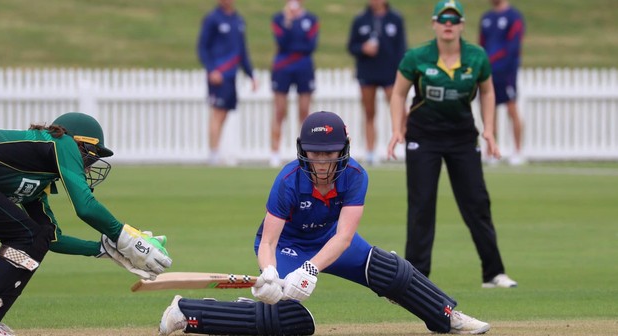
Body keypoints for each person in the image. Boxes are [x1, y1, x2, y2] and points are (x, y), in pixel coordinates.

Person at [158, 111, 491, 336]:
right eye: (315, 153)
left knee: (388, 269)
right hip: (286, 246)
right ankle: (187, 312)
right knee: (288, 319)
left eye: (329, 153)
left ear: (343, 150)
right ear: (303, 150)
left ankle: (447, 317)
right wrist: (271, 272)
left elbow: (345, 237)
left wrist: (311, 270)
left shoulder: (356, 176)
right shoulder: (288, 180)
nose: (321, 162)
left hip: (332, 241)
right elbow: (269, 242)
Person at [0, 112, 172, 336]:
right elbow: (85, 207)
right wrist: (127, 238)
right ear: (79, 143)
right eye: (92, 153)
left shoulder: (38, 177)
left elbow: (49, 238)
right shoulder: (60, 142)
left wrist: (103, 248)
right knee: (25, 236)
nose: (91, 164)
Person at [386, 0, 518, 289]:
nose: (448, 24)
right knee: (421, 205)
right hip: (423, 135)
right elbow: (398, 94)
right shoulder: (416, 57)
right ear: (434, 23)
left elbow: (487, 92)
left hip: (461, 135)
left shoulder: (476, 57)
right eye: (443, 19)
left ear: (461, 25)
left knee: (477, 203)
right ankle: (416, 278)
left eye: (454, 19)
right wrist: (398, 129)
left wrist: (490, 131)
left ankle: (493, 273)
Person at [347, 0, 408, 166]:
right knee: (369, 112)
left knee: (399, 110)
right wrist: (363, 49)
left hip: (390, 72)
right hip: (368, 72)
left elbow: (402, 48)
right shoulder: (360, 19)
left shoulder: (395, 19)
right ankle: (370, 151)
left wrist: (400, 71)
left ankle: (407, 146)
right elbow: (351, 46)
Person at [197, 0, 258, 166]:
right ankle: (213, 155)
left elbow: (242, 52)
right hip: (219, 75)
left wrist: (251, 75)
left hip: (232, 76)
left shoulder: (238, 20)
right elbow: (202, 47)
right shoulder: (212, 19)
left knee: (224, 114)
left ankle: (216, 151)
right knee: (217, 113)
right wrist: (211, 69)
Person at [269, 0, 319, 167]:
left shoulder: (311, 19)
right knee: (279, 111)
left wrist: (295, 40)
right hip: (283, 67)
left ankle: (306, 151)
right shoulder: (278, 19)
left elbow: (310, 45)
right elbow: (282, 41)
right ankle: (275, 152)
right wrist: (288, 23)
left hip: (304, 66)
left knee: (304, 111)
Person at [480, 0, 525, 165]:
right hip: (488, 73)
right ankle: (491, 151)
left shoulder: (514, 17)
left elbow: (513, 46)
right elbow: (481, 44)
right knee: (490, 112)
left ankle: (518, 151)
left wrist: (496, 61)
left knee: (511, 109)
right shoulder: (486, 18)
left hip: (506, 72)